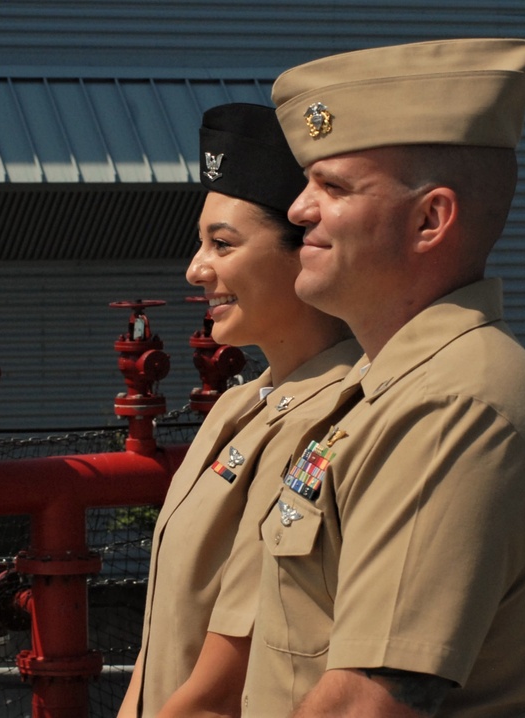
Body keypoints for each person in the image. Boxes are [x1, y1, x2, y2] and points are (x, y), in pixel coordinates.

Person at [241, 38, 525, 717]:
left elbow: (367, 702)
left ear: (431, 219)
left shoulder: (453, 402)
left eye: (332, 187)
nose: (299, 210)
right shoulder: (387, 387)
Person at [117, 103, 360, 718]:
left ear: (306, 249)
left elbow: (223, 687)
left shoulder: (338, 415)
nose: (196, 269)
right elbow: (159, 648)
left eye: (222, 244)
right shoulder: (237, 406)